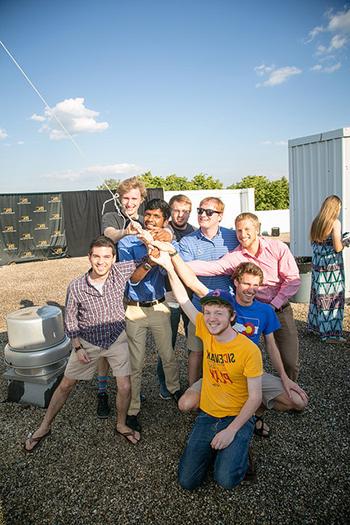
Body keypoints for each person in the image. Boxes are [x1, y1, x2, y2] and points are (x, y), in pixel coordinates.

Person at [151, 243, 308, 436]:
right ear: (236, 283)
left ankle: (255, 413)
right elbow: (189, 289)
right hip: (220, 374)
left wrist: (285, 378)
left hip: (248, 373)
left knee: (298, 401)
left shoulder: (265, 310)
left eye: (255, 285)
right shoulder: (223, 304)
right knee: (185, 404)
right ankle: (223, 413)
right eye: (246, 284)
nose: (251, 290)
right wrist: (170, 263)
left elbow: (271, 346)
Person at [149, 248, 263, 490]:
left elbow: (255, 398)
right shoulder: (204, 326)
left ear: (232, 316)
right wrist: (169, 266)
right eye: (208, 312)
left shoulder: (248, 350)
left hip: (237, 417)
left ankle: (241, 453)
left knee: (226, 480)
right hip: (208, 414)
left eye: (219, 313)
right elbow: (183, 300)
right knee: (187, 482)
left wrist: (232, 431)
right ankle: (220, 451)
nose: (211, 318)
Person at [24, 236, 142, 452]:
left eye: (106, 256)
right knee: (66, 385)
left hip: (116, 338)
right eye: (96, 256)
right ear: (89, 257)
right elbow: (70, 319)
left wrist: (152, 238)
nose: (101, 261)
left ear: (114, 258)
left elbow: (145, 261)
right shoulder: (76, 286)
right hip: (88, 342)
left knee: (125, 386)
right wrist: (77, 347)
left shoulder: (119, 272)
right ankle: (44, 427)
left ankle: (121, 424)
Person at [187, 212, 301, 381]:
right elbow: (211, 267)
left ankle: (289, 391)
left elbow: (292, 280)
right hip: (250, 309)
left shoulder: (277, 248)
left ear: (257, 229)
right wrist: (175, 261)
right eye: (239, 230)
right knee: (240, 355)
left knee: (289, 359)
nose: (243, 234)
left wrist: (273, 305)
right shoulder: (236, 256)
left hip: (278, 308)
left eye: (247, 229)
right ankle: (243, 393)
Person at [118, 198, 181, 433]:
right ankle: (133, 409)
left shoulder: (165, 239)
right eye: (149, 215)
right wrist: (150, 260)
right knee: (136, 362)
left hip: (159, 307)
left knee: (168, 355)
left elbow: (176, 264)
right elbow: (132, 279)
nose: (151, 220)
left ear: (165, 221)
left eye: (157, 217)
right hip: (134, 309)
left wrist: (166, 239)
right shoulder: (126, 243)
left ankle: (174, 390)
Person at [177, 197, 239, 385]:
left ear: (220, 216)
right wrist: (225, 265)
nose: (203, 215)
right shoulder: (188, 241)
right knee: (196, 351)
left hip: (228, 306)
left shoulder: (233, 236)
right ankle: (193, 390)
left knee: (227, 352)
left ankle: (227, 389)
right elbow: (187, 270)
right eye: (200, 210)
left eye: (209, 212)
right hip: (199, 307)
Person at [157, 194, 196, 399]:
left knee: (194, 341)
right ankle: (166, 384)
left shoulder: (194, 232)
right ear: (170, 211)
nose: (180, 215)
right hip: (170, 294)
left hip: (190, 295)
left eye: (185, 211)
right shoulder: (164, 230)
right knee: (168, 343)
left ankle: (194, 381)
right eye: (176, 210)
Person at [308, 195, 346, 343]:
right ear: (335, 208)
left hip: (318, 267)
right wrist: (346, 241)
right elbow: (337, 247)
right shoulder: (335, 223)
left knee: (318, 297)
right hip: (332, 269)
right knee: (333, 299)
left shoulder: (316, 222)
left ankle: (317, 328)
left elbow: (315, 244)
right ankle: (331, 335)